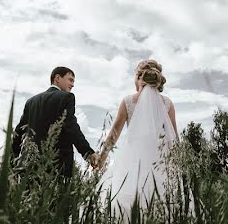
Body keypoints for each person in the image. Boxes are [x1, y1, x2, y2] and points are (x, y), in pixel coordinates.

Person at [98, 59, 178, 215]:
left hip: (132, 162)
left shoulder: (128, 101)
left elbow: (113, 135)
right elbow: (174, 138)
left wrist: (101, 158)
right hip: (161, 163)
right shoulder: (167, 104)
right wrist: (178, 163)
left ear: (139, 77)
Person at [11, 66, 99, 179]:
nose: (73, 85)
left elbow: (18, 134)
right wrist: (88, 153)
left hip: (30, 167)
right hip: (57, 166)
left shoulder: (31, 102)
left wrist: (11, 163)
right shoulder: (67, 97)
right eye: (70, 80)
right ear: (57, 78)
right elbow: (71, 127)